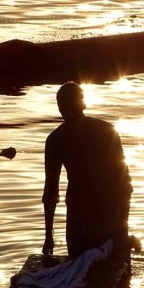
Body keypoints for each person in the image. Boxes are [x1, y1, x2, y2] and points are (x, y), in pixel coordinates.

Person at [42, 82, 132, 258]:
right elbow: (50, 191)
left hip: (107, 213)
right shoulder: (55, 141)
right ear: (59, 108)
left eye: (72, 105)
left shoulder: (107, 133)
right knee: (79, 268)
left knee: (112, 266)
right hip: (78, 216)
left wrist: (122, 223)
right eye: (64, 106)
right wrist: (48, 236)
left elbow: (124, 182)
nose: (67, 111)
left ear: (82, 105)